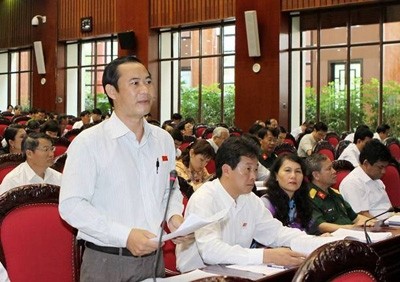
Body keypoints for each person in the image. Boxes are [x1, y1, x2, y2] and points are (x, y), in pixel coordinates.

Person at [59, 56, 185, 281]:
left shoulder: (163, 139)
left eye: (148, 81)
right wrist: (124, 236)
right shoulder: (90, 142)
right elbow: (71, 205)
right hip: (108, 261)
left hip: (154, 260)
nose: (145, 89)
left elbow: (171, 189)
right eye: (135, 83)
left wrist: (174, 216)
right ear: (111, 91)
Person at [176, 137, 308, 273]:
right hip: (198, 275)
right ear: (226, 170)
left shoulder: (250, 199)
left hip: (235, 271)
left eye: (255, 169)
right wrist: (266, 256)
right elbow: (210, 251)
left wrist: (312, 242)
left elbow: (275, 232)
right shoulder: (204, 198)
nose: (253, 176)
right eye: (247, 169)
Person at [306, 153, 373, 234]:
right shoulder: (308, 197)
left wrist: (373, 222)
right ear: (316, 175)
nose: (334, 171)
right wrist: (351, 228)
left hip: (351, 234)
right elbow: (320, 226)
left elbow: (355, 218)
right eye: (329, 169)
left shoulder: (334, 193)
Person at [339, 139, 393, 219]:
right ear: (366, 163)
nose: (384, 171)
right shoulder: (352, 183)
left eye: (385, 167)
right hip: (375, 228)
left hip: (391, 223)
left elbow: (388, 209)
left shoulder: (377, 180)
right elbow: (362, 217)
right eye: (380, 167)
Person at [261, 154, 315, 233]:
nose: (293, 176)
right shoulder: (266, 204)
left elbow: (312, 230)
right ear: (276, 175)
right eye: (287, 170)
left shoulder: (303, 201)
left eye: (298, 171)